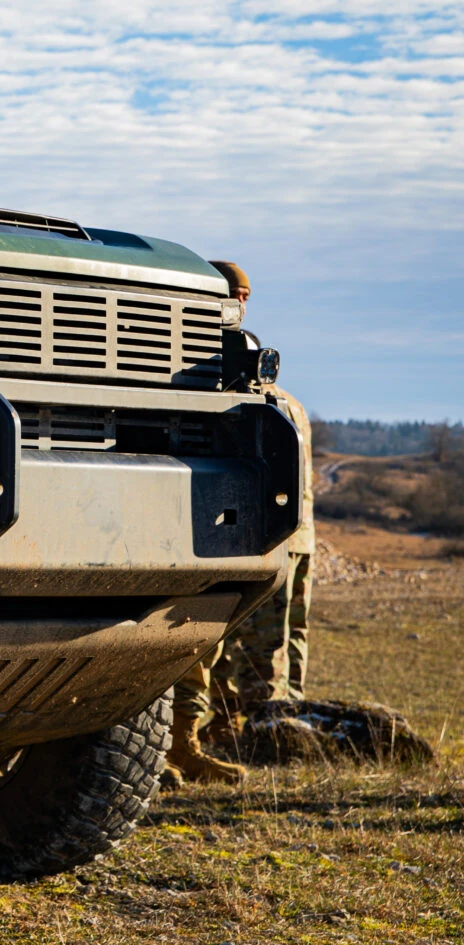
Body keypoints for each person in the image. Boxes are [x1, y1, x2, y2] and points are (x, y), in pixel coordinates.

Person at [165, 260, 314, 785]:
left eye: (245, 296)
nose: (240, 304)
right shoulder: (184, 362)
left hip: (271, 528)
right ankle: (179, 741)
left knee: (269, 636)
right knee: (197, 639)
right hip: (211, 525)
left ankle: (223, 731)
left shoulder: (254, 370)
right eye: (234, 294)